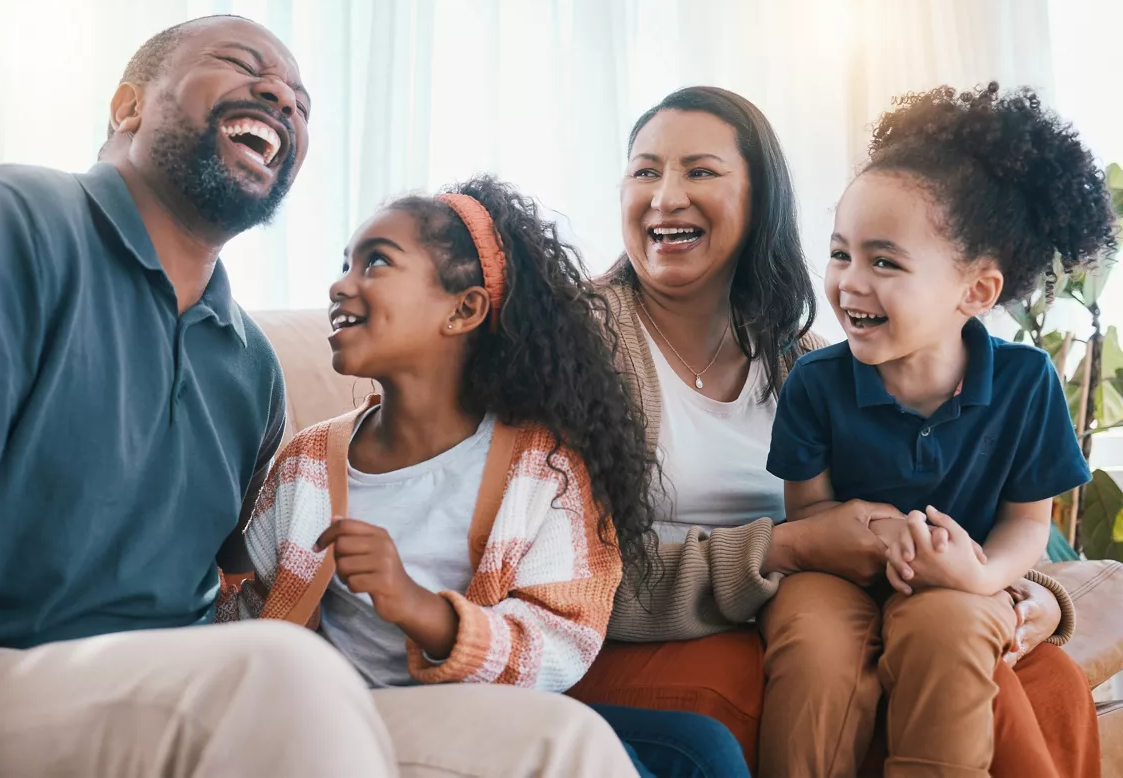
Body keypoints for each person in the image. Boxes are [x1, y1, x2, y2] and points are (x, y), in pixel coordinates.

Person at [0, 15, 637, 777]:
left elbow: (236, 592)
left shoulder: (249, 370)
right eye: (242, 65)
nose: (280, 97)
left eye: (300, 102)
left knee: (561, 743)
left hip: (200, 684)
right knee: (282, 673)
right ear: (128, 107)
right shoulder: (12, 222)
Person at [564, 85, 1101, 778]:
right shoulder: (574, 345)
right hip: (699, 619)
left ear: (762, 202)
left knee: (1040, 678)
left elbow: (999, 515)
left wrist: (1028, 594)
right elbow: (565, 572)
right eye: (644, 170)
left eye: (700, 171)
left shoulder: (800, 353)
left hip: (862, 585)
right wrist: (792, 546)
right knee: (968, 687)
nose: (666, 196)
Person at [220, 175, 749, 778]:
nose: (341, 284)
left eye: (375, 263)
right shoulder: (308, 465)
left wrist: (421, 610)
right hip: (357, 723)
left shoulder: (543, 467)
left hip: (486, 709)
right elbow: (245, 624)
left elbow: (562, 640)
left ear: (464, 309)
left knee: (701, 751)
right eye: (346, 263)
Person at [765, 82, 1115, 776]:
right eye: (841, 254)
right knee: (813, 649)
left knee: (949, 633)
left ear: (976, 292)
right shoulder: (814, 382)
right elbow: (811, 519)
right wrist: (877, 540)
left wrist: (981, 573)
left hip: (961, 581)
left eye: (884, 261)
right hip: (840, 575)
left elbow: (1026, 524)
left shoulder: (1026, 381)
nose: (849, 283)